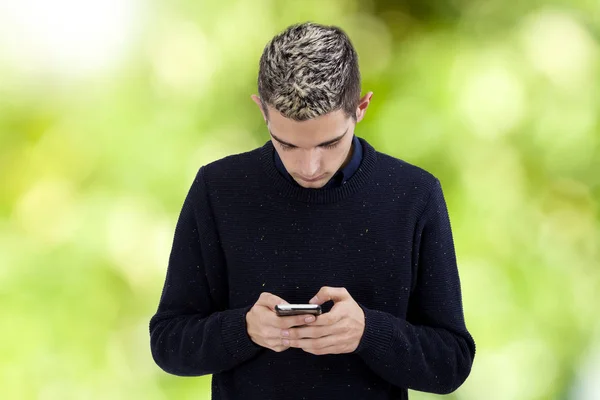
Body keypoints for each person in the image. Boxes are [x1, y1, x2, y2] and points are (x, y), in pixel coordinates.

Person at [149, 21, 475, 399]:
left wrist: (368, 332)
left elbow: (451, 363)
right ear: (262, 110)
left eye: (329, 143)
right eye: (287, 144)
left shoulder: (414, 195)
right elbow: (168, 343)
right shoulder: (218, 189)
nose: (309, 167)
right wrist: (244, 329)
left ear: (362, 107)